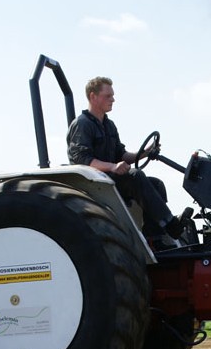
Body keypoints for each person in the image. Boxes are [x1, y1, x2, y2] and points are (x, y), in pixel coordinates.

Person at [67, 76, 191, 239]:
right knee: (135, 176)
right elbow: (82, 159)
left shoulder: (109, 125)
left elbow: (122, 155)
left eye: (112, 95)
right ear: (93, 96)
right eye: (108, 96)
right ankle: (172, 226)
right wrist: (112, 167)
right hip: (93, 182)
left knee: (156, 184)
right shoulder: (82, 124)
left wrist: (145, 152)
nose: (113, 99)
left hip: (110, 179)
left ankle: (155, 237)